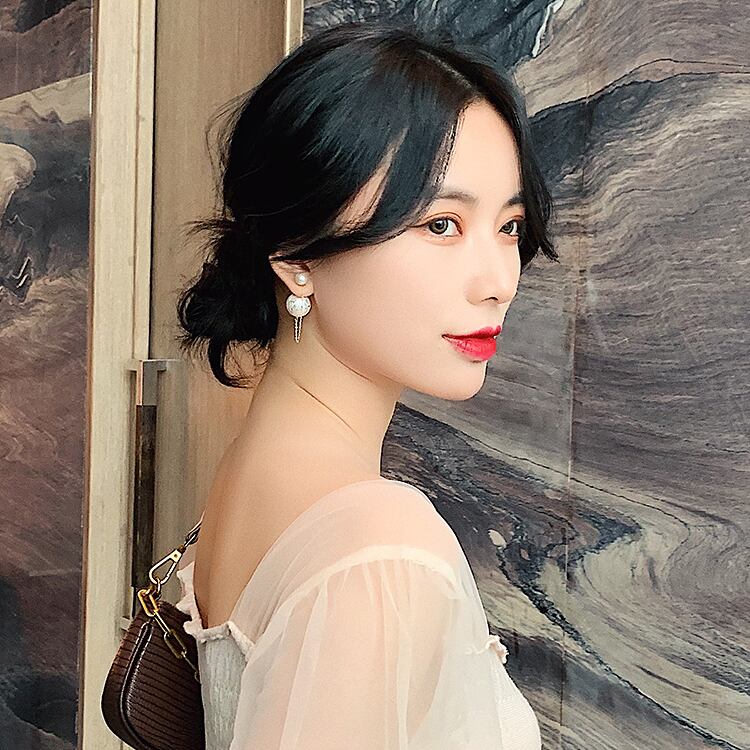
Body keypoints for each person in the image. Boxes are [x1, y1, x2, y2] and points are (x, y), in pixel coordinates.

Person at [174, 18, 557, 750]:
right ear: (296, 254)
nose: (498, 282)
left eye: (508, 227)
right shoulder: (381, 549)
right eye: (442, 224)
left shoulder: (258, 475)